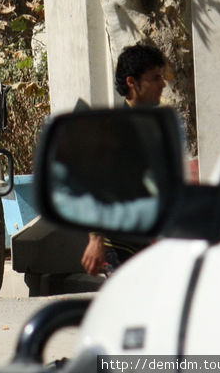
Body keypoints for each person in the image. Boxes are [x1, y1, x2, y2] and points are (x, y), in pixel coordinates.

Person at [80, 43, 167, 276]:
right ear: (132, 82)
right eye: (155, 78)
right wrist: (96, 240)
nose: (163, 84)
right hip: (118, 248)